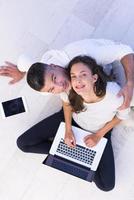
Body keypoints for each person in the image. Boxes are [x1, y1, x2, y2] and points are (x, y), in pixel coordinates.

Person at [18, 55, 130, 191]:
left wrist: (99, 135)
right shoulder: (70, 85)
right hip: (71, 120)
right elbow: (66, 104)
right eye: (74, 76)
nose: (77, 81)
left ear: (94, 77)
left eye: (82, 75)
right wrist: (68, 130)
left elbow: (121, 116)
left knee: (106, 185)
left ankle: (73, 155)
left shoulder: (113, 95)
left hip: (98, 130)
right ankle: (68, 153)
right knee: (23, 143)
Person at [0, 38, 134, 108]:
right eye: (53, 89)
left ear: (53, 66)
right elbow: (27, 63)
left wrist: (129, 83)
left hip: (111, 61)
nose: (60, 86)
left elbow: (124, 51)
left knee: (128, 97)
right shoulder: (44, 88)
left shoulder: (84, 53)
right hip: (95, 76)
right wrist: (21, 72)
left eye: (54, 78)